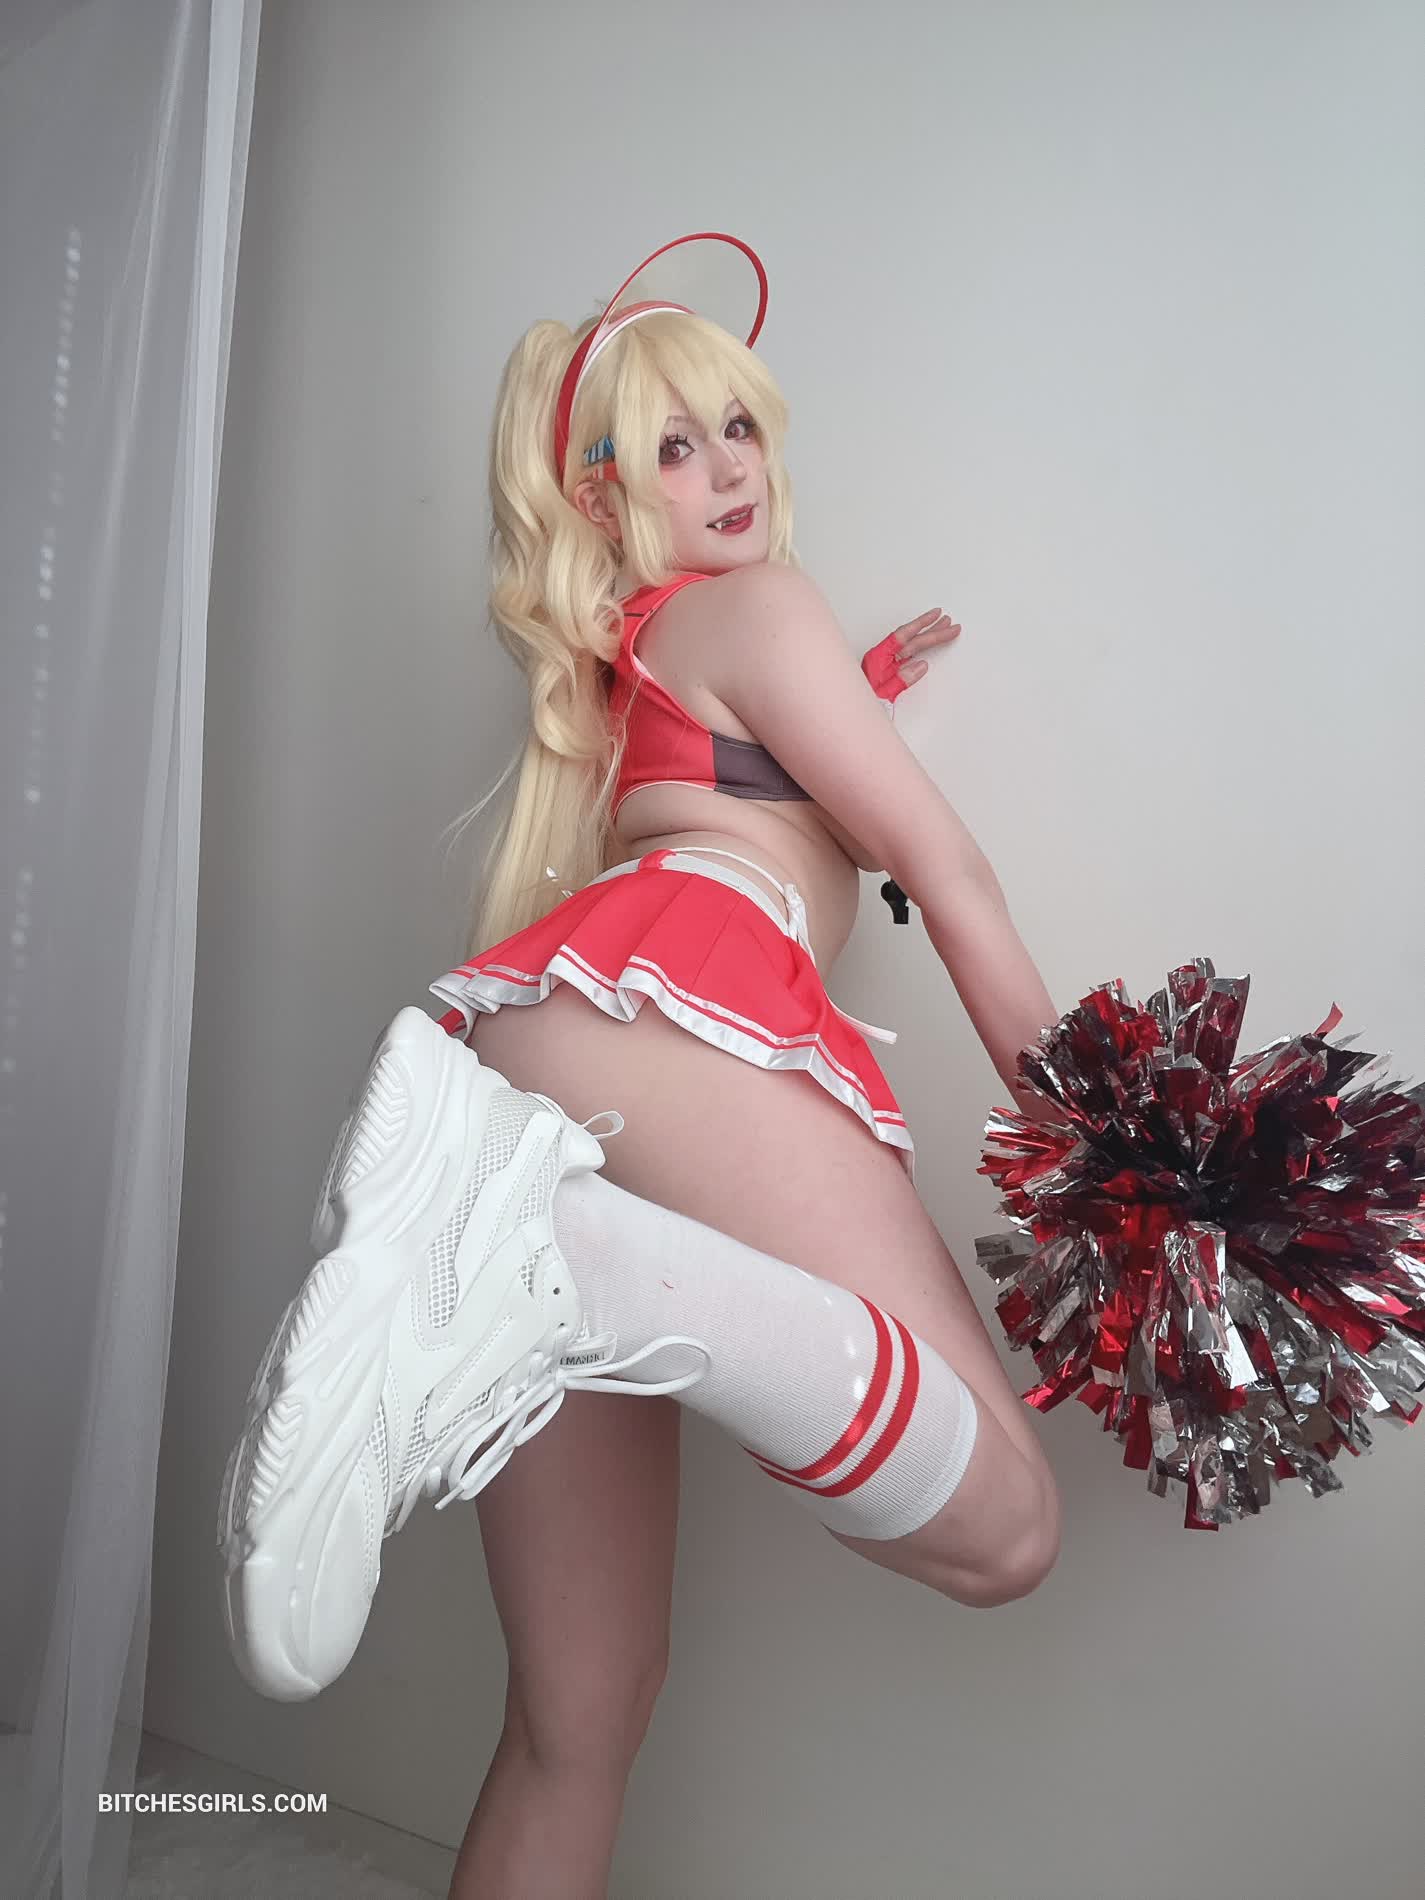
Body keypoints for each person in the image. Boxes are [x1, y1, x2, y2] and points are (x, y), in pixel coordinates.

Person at [217, 234, 1064, 1900]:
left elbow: (759, 775)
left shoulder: (649, 668)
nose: (728, 467)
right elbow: (945, 868)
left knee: (577, 1719)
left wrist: (857, 689)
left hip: (531, 1046)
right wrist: (1118, 1145)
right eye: (674, 447)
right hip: (665, 1025)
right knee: (1009, 1528)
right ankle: (555, 1267)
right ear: (605, 500)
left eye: (737, 426)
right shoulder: (755, 607)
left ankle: (525, 1264)